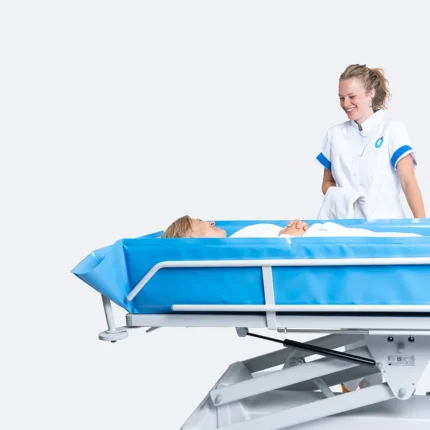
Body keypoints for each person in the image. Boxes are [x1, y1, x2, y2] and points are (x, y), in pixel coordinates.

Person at [316, 64, 426, 219]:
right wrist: (344, 196)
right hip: (346, 225)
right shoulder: (334, 134)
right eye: (341, 98)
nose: (345, 103)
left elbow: (408, 181)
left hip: (387, 224)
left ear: (371, 93)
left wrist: (423, 225)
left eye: (352, 96)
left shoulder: (392, 129)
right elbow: (327, 182)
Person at [161, 216, 420, 238]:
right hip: (319, 239)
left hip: (319, 234)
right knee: (402, 241)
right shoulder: (232, 249)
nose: (211, 221)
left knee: (401, 237)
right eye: (200, 222)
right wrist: (289, 236)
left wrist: (291, 232)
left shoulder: (236, 240)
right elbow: (274, 252)